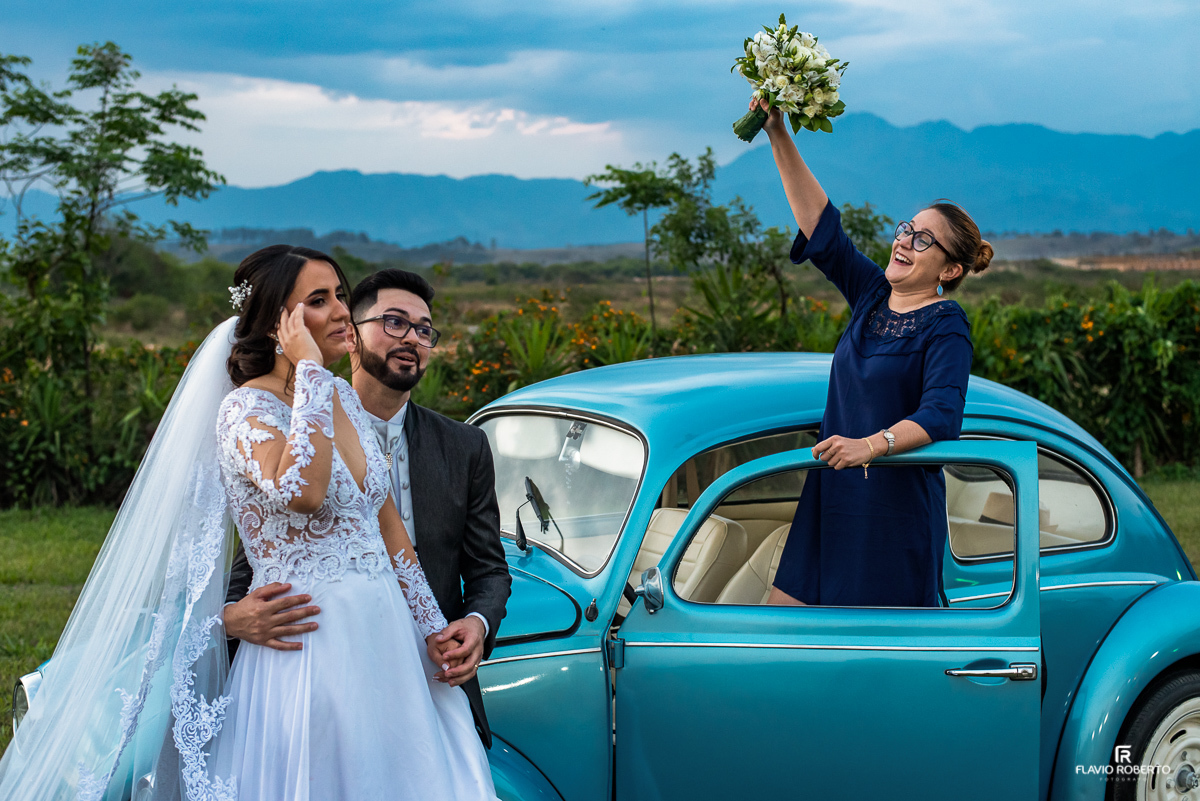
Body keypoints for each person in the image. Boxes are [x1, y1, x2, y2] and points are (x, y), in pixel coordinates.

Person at [222, 267, 511, 747]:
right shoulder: (280, 415)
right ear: (353, 335)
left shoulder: (466, 446)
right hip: (319, 661)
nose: (412, 338)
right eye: (394, 323)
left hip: (425, 666)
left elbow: (488, 568)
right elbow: (260, 552)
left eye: (424, 330)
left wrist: (474, 625)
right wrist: (230, 618)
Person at [754, 99, 994, 608]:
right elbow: (823, 231)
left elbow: (941, 414)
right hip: (832, 493)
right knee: (781, 630)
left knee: (861, 650)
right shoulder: (871, 295)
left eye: (924, 240)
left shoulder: (947, 324)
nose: (904, 241)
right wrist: (777, 132)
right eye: (906, 229)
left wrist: (871, 445)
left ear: (950, 270)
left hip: (892, 515)